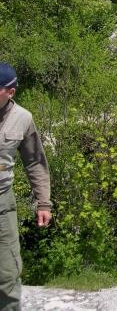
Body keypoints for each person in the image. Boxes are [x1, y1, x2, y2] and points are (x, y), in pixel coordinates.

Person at [0, 62, 51, 310]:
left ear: (10, 91)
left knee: (7, 272)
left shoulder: (23, 118)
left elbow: (35, 162)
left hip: (2, 203)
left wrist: (43, 202)